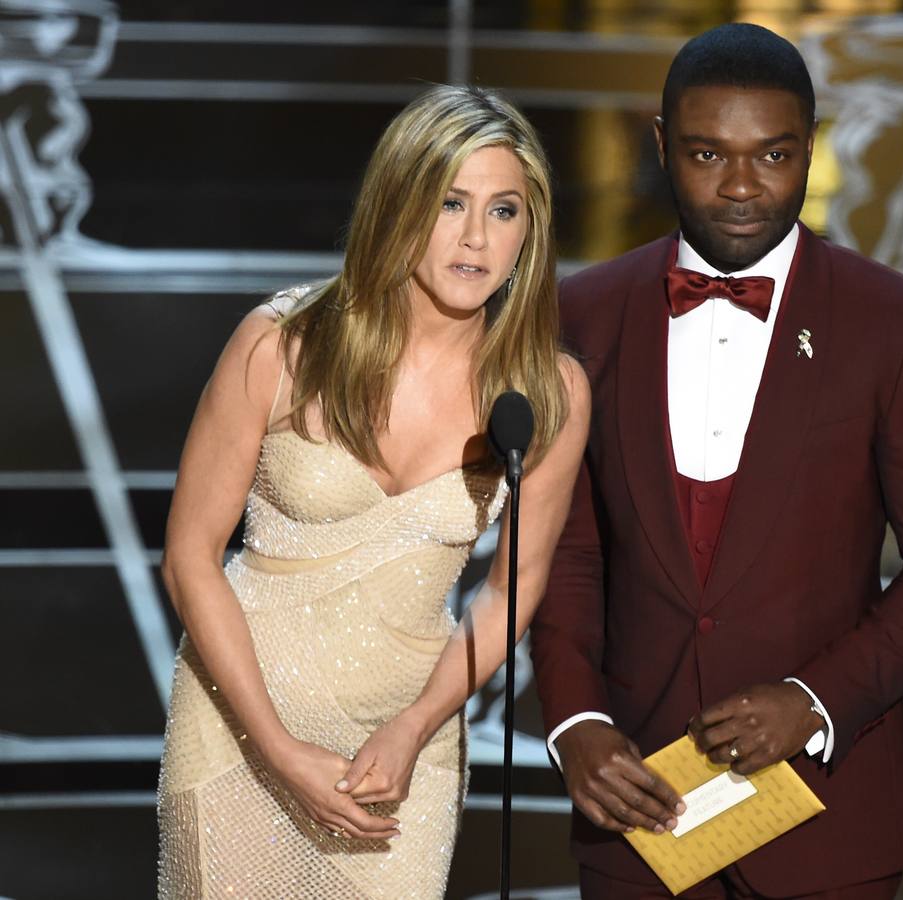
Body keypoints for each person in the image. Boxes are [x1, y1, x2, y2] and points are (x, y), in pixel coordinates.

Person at [530, 23, 903, 899]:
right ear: (661, 144)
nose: (741, 187)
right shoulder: (580, 314)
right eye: (707, 154)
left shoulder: (894, 323)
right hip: (637, 804)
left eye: (773, 154)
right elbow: (567, 547)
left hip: (827, 809)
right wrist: (575, 721)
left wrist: (815, 700)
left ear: (810, 148)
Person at [156, 84, 589, 899]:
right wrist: (279, 747)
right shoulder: (280, 345)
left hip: (402, 749)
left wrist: (417, 724)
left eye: (503, 210)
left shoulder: (545, 391)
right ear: (399, 202)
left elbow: (511, 590)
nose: (474, 238)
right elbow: (189, 558)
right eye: (450, 202)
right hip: (239, 731)